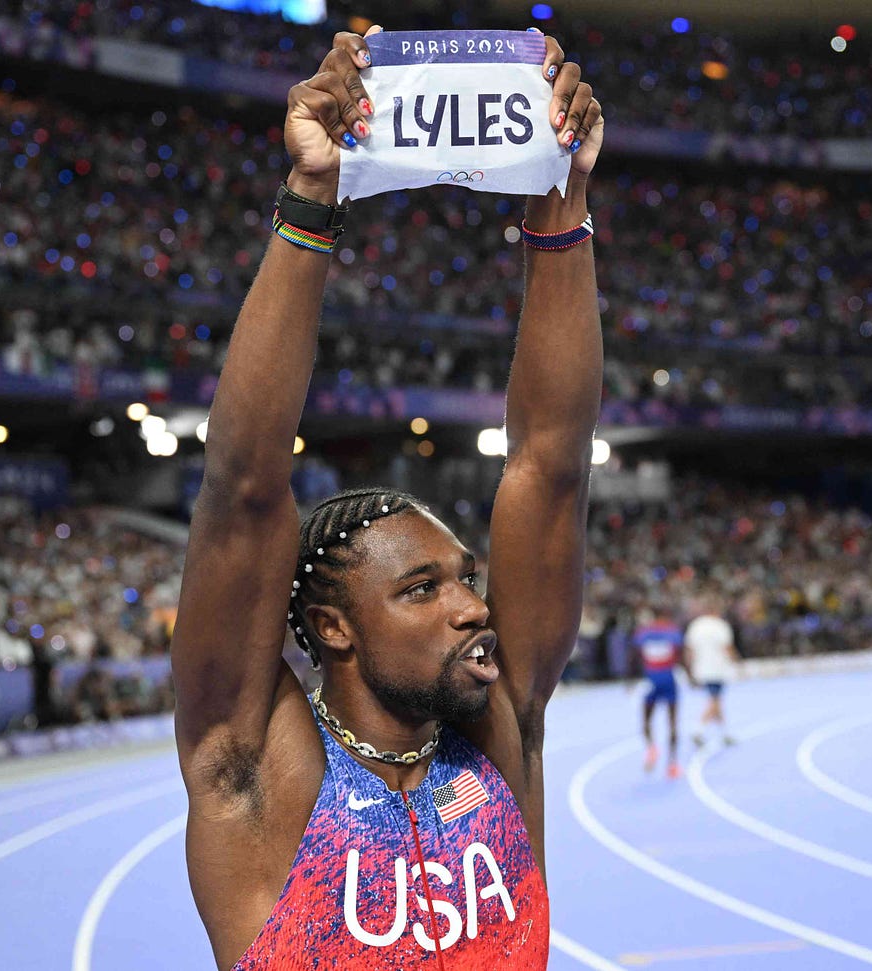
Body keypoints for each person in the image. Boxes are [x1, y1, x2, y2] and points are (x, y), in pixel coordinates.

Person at [171, 25, 604, 970]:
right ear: (333, 627)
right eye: (421, 589)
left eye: (463, 579)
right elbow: (243, 488)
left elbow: (551, 466)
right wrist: (312, 199)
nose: (472, 607)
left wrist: (561, 207)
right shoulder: (253, 772)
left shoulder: (500, 733)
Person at [633, 604, 689, 778]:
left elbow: (634, 656)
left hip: (651, 679)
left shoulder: (643, 632)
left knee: (646, 720)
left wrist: (631, 678)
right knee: (672, 722)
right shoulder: (673, 631)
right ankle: (672, 764)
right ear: (666, 614)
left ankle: (651, 748)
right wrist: (690, 675)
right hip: (668, 679)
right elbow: (681, 656)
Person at [684, 592, 740, 748]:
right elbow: (728, 648)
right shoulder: (720, 626)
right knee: (714, 701)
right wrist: (737, 662)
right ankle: (698, 731)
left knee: (716, 700)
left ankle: (725, 733)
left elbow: (689, 650)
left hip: (701, 669)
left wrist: (689, 669)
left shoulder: (696, 625)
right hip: (717, 669)